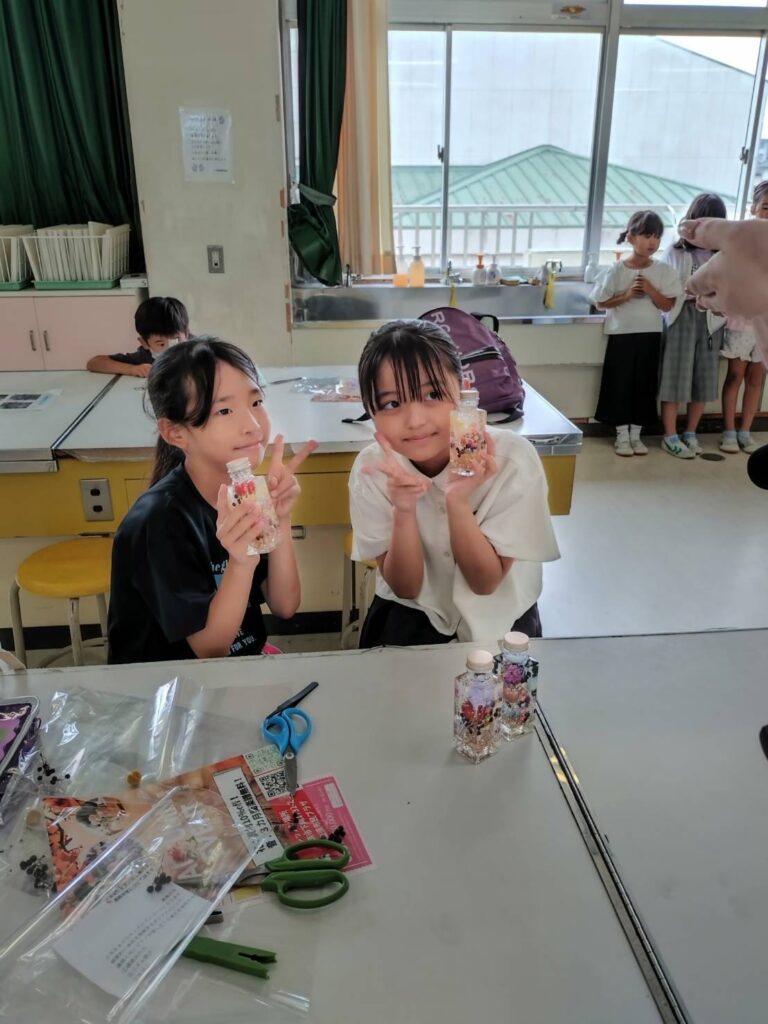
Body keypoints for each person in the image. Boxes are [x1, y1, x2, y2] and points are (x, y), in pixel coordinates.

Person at [348, 319, 560, 647]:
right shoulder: (371, 470)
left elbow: (485, 583)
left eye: (432, 394)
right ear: (370, 410)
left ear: (462, 393)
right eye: (392, 403)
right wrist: (404, 510)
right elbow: (406, 588)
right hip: (411, 611)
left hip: (503, 617)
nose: (415, 420)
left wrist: (458, 502)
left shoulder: (512, 460)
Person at [108, 336, 317, 664]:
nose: (252, 426)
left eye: (256, 402)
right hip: (169, 685)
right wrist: (241, 561)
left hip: (239, 667)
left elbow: (285, 605)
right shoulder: (159, 522)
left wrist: (281, 519)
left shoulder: (244, 494)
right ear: (176, 433)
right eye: (224, 410)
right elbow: (210, 650)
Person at [591, 211, 681, 456]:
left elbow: (668, 305)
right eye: (646, 235)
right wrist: (627, 296)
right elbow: (601, 302)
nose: (652, 242)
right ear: (630, 237)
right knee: (619, 383)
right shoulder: (617, 270)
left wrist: (651, 290)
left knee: (644, 383)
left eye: (657, 236)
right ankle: (621, 434)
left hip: (650, 334)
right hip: (621, 334)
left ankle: (636, 434)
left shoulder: (663, 271)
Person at [658, 194, 727, 459]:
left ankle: (691, 432)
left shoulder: (724, 254)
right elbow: (667, 287)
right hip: (681, 317)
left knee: (703, 378)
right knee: (675, 376)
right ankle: (670, 435)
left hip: (712, 320)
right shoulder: (675, 251)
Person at [716, 183, 768, 454]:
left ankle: (745, 431)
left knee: (757, 378)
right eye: (766, 207)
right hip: (740, 321)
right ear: (753, 208)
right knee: (735, 375)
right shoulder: (741, 241)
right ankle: (728, 430)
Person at [86, 296, 190, 377]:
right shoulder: (146, 356)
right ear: (144, 343)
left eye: (175, 341)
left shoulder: (196, 350)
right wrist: (131, 369)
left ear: (186, 333)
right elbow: (94, 363)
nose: (170, 349)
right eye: (161, 344)